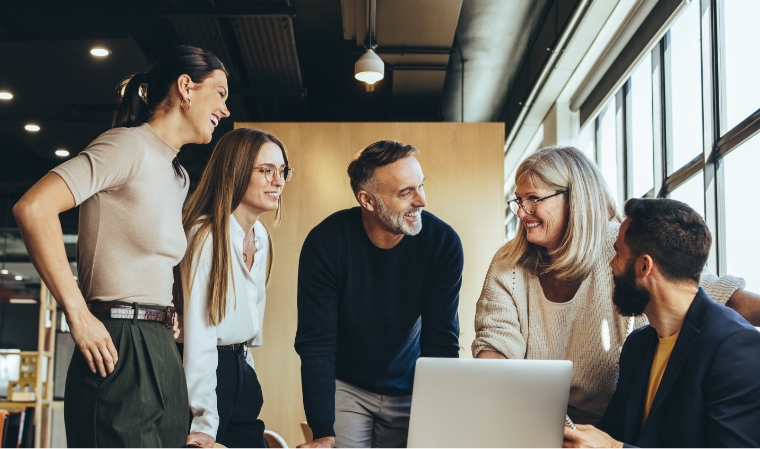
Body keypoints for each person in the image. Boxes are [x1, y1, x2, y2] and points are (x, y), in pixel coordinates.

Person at [12, 45, 230, 447]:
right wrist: (77, 314)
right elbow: (34, 208)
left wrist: (163, 312)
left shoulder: (177, 173)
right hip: (117, 343)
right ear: (186, 88)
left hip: (159, 345)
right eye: (220, 93)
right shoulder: (126, 146)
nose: (225, 109)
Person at [472, 146, 760, 425]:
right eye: (519, 201)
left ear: (575, 200)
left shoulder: (621, 246)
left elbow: (708, 294)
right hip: (533, 417)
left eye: (533, 199)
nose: (522, 212)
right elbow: (496, 344)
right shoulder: (509, 263)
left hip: (614, 419)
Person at [295, 140, 463, 448]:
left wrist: (442, 419)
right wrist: (323, 432)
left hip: (413, 385)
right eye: (406, 192)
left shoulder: (443, 244)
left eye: (421, 186)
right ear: (368, 200)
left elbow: (441, 340)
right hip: (347, 384)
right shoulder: (325, 244)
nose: (422, 200)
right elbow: (316, 343)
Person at [563, 198, 760, 448]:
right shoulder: (638, 345)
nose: (611, 264)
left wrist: (615, 448)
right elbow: (612, 433)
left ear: (644, 265)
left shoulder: (735, 347)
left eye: (618, 254)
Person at [177, 128, 292, 448]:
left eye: (282, 171)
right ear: (236, 171)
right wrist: (204, 420)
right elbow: (199, 337)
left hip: (240, 368)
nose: (278, 181)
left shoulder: (262, 238)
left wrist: (248, 375)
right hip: (205, 376)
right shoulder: (205, 236)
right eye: (267, 171)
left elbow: (248, 326)